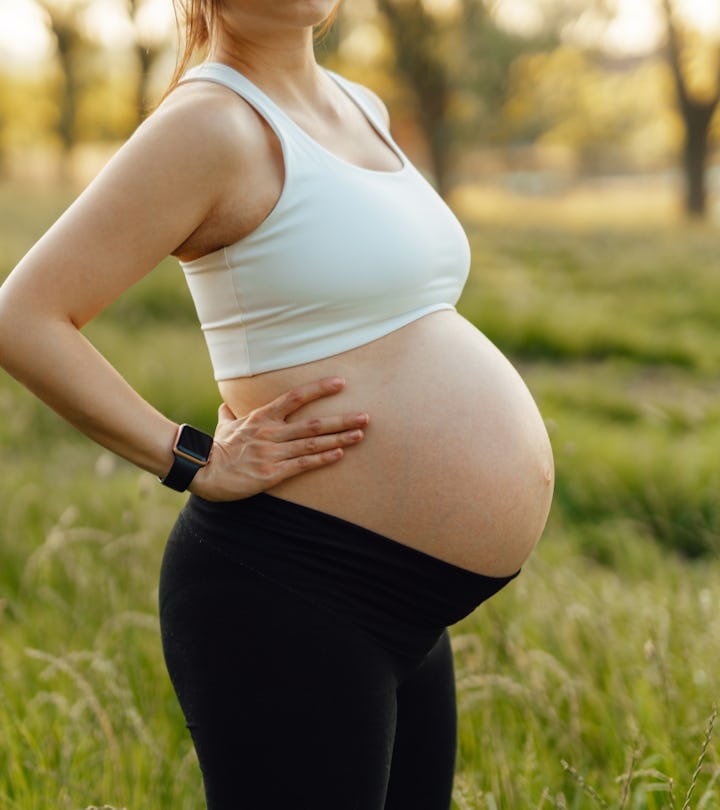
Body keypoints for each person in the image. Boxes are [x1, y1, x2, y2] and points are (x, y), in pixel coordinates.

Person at [0, 1, 554, 808]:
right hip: (293, 590)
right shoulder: (209, 123)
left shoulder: (358, 104)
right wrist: (190, 458)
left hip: (402, 608)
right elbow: (24, 317)